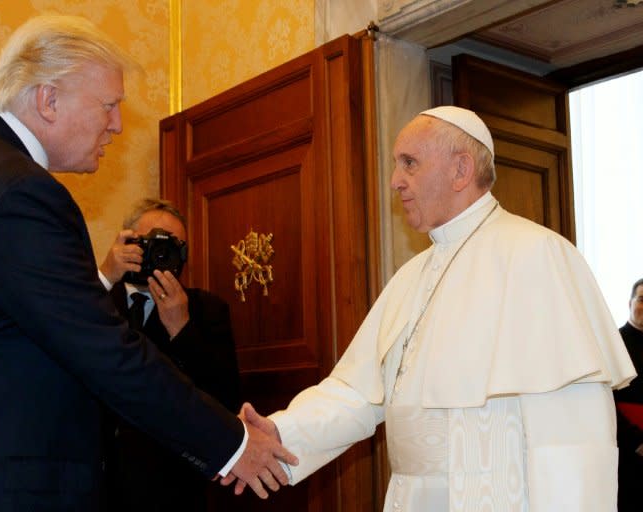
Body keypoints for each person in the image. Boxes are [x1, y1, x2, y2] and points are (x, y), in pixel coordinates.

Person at [0, 14, 295, 512]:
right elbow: (102, 349)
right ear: (49, 100)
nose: (117, 124)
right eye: (109, 105)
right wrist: (234, 445)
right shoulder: (15, 189)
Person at [232, 106, 637, 511]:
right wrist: (280, 431)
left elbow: (573, 440)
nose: (395, 181)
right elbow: (356, 392)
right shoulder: (411, 275)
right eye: (396, 165)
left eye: (409, 163)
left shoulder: (537, 254)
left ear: (461, 170)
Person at [98, 198, 242, 512]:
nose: (161, 255)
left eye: (173, 246)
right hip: (96, 482)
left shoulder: (206, 310)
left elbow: (226, 399)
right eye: (152, 243)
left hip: (171, 486)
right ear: (127, 241)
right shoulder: (96, 300)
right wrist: (105, 274)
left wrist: (182, 330)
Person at [614, 278, 643, 511]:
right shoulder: (614, 342)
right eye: (642, 299)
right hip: (629, 447)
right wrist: (635, 441)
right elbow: (607, 400)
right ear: (630, 303)